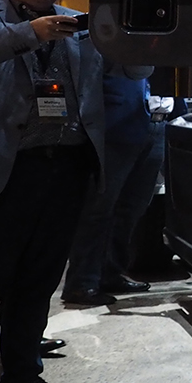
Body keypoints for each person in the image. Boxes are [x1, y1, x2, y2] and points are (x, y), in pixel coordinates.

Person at [0, 0, 104, 383]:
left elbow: (122, 75)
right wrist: (30, 33)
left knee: (39, 280)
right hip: (4, 172)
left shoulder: (79, 27)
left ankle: (23, 380)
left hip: (64, 169)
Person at [61, 66, 162, 306]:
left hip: (157, 124)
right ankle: (81, 283)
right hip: (116, 123)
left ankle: (110, 273)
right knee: (99, 207)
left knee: (133, 207)